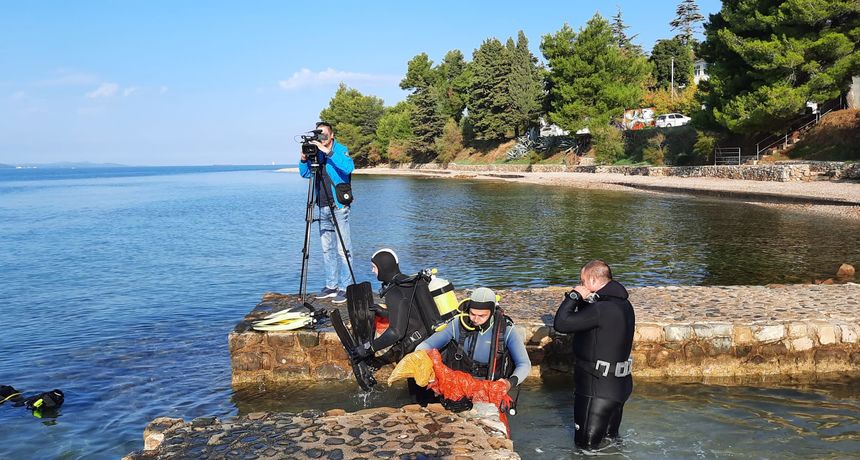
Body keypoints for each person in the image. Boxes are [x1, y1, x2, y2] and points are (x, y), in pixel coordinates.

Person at [553, 260, 635, 450]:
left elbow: (561, 324)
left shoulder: (601, 309)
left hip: (596, 389)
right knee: (611, 443)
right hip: (619, 387)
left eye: (582, 281)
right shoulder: (623, 305)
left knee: (584, 449)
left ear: (592, 279)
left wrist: (573, 296)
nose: (580, 284)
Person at [416, 287, 532, 412]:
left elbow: (524, 364)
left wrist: (509, 383)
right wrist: (429, 368)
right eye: (472, 314)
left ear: (492, 312)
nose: (475, 319)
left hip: (489, 387)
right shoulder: (457, 324)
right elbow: (424, 347)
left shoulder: (506, 330)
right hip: (457, 387)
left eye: (482, 316)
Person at [299, 121, 354, 304]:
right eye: (318, 135)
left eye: (324, 135)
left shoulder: (339, 149)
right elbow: (306, 174)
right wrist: (304, 160)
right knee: (327, 249)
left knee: (343, 249)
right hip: (321, 205)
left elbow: (348, 167)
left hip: (338, 205)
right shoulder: (316, 153)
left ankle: (346, 287)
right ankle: (331, 285)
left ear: (331, 135)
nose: (321, 138)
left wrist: (327, 152)